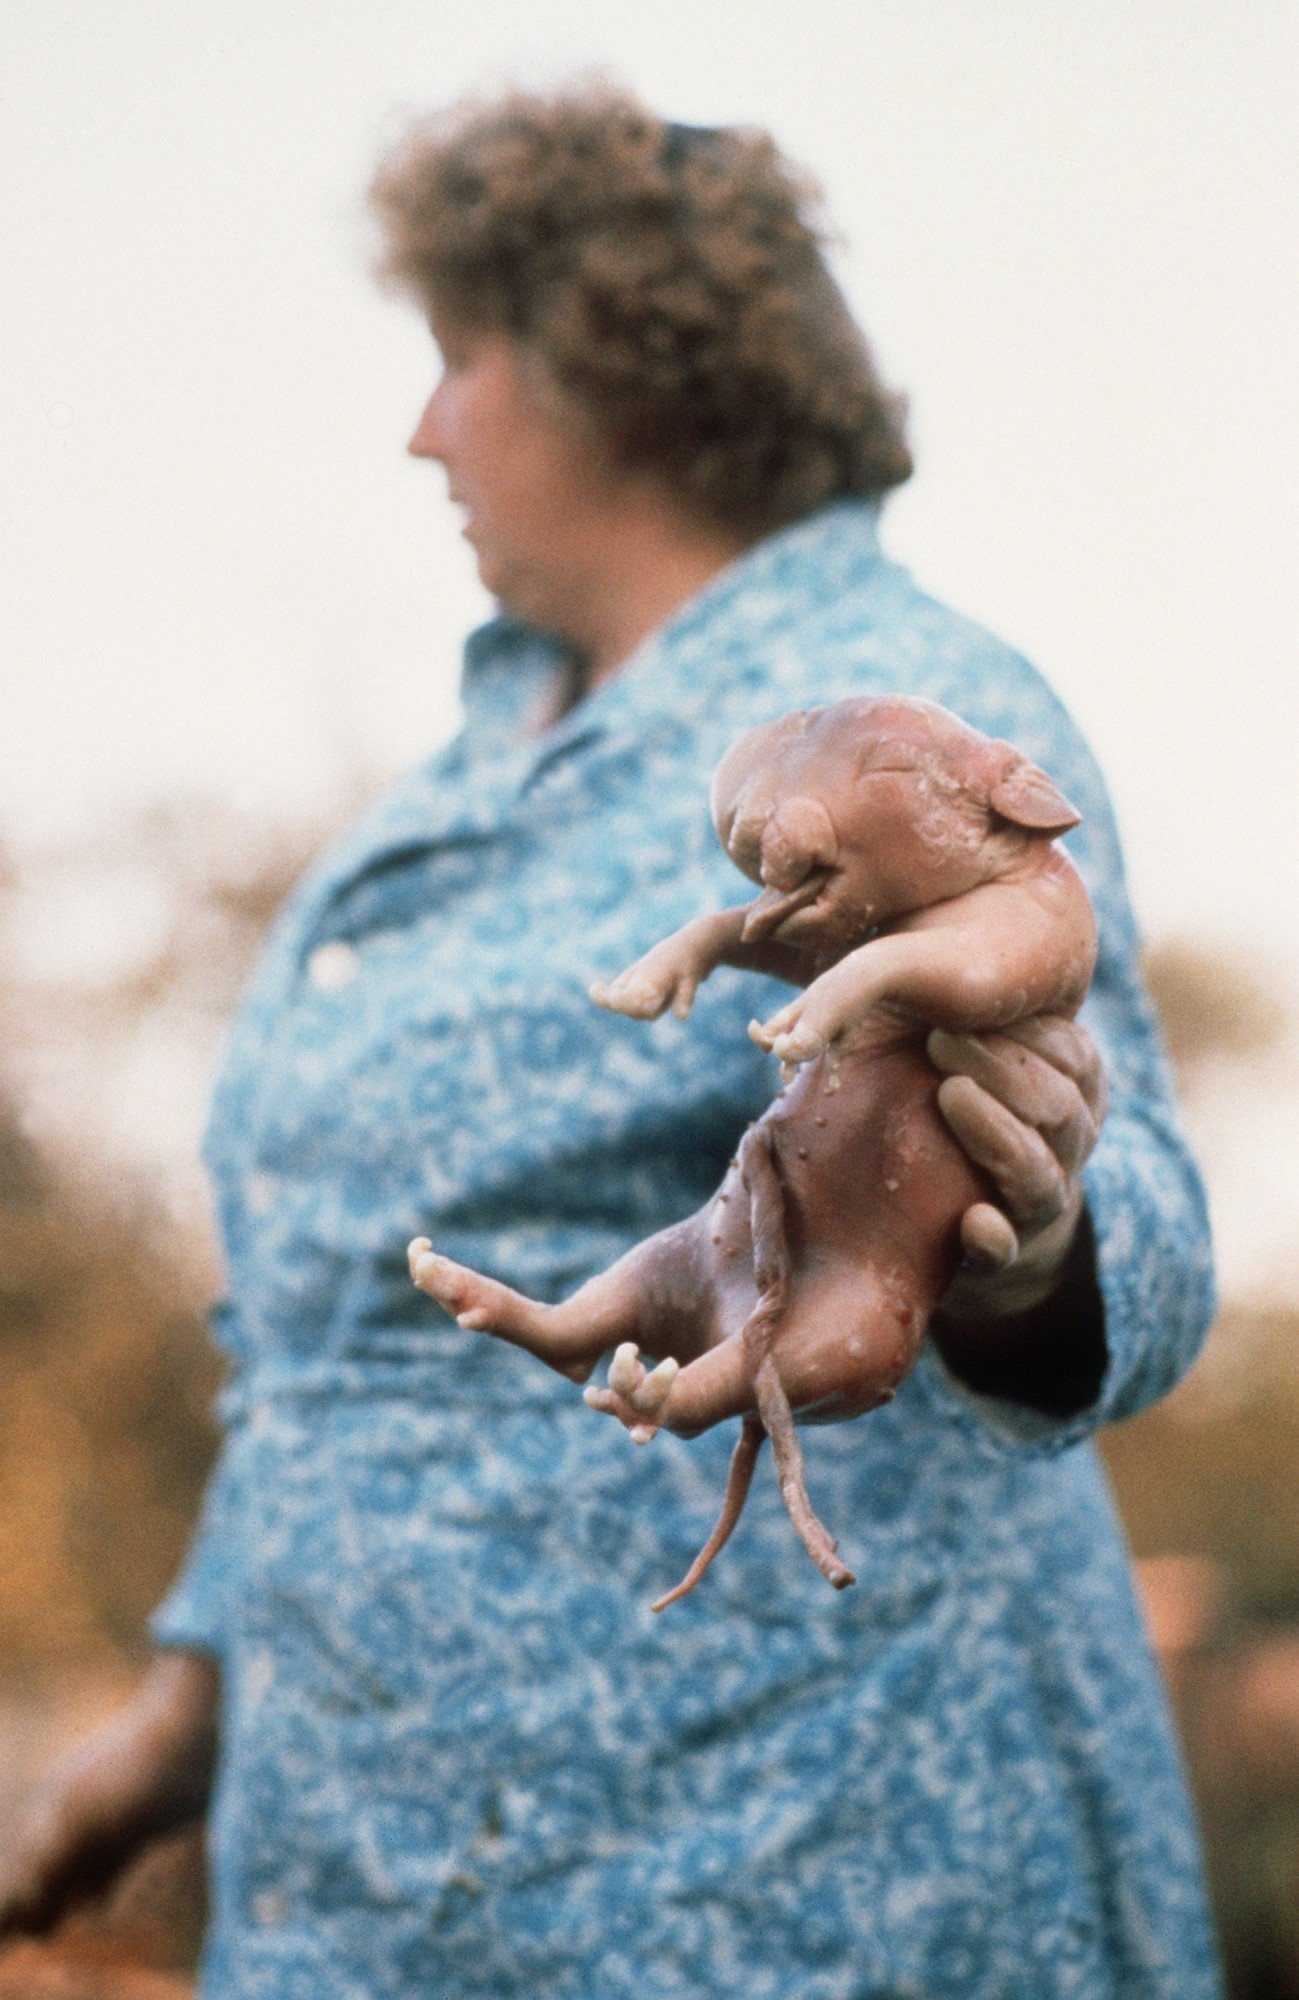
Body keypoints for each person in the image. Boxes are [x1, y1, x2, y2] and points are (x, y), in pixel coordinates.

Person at [0, 83, 1220, 1999]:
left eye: (462, 354)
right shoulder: (459, 779)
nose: (422, 427)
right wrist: (185, 1714)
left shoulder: (901, 713)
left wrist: (1045, 1241)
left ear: (618, 363)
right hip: (376, 1880)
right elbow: (337, 1329)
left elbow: (1130, 1214)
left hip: (778, 1869)